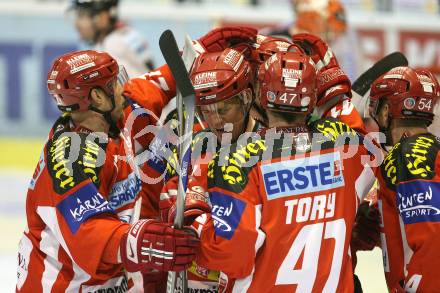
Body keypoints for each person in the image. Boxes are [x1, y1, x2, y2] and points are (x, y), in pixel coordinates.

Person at [185, 50, 377, 292]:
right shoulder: (344, 145)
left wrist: (196, 229)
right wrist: (339, 100)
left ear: (260, 97)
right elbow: (371, 150)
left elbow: (232, 257)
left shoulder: (236, 160)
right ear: (313, 99)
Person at [16, 50, 198, 292]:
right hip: (62, 286)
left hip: (107, 282)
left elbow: (152, 87)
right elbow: (88, 234)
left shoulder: (116, 120)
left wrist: (201, 50)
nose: (123, 88)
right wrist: (144, 242)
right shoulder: (71, 161)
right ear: (98, 97)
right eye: (115, 83)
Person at [369, 66, 440, 292]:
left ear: (387, 109)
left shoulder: (408, 156)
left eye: (377, 106)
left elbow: (433, 238)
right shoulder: (429, 149)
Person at [69, 0, 154, 77]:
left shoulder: (111, 46)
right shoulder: (129, 32)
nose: (76, 24)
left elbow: (129, 90)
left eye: (82, 16)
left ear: (102, 17)